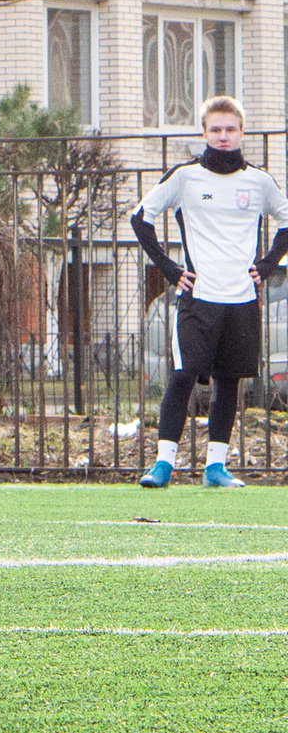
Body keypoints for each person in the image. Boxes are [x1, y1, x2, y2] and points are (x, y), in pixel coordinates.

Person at [131, 96, 286, 490]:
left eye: (230, 129)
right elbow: (140, 218)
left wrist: (267, 266)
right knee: (182, 376)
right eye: (215, 129)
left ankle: (215, 467)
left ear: (241, 133)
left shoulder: (260, 181)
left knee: (229, 381)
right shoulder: (185, 177)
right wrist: (169, 270)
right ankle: (163, 464)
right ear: (204, 132)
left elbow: (286, 223)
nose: (222, 136)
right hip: (198, 300)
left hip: (243, 300)